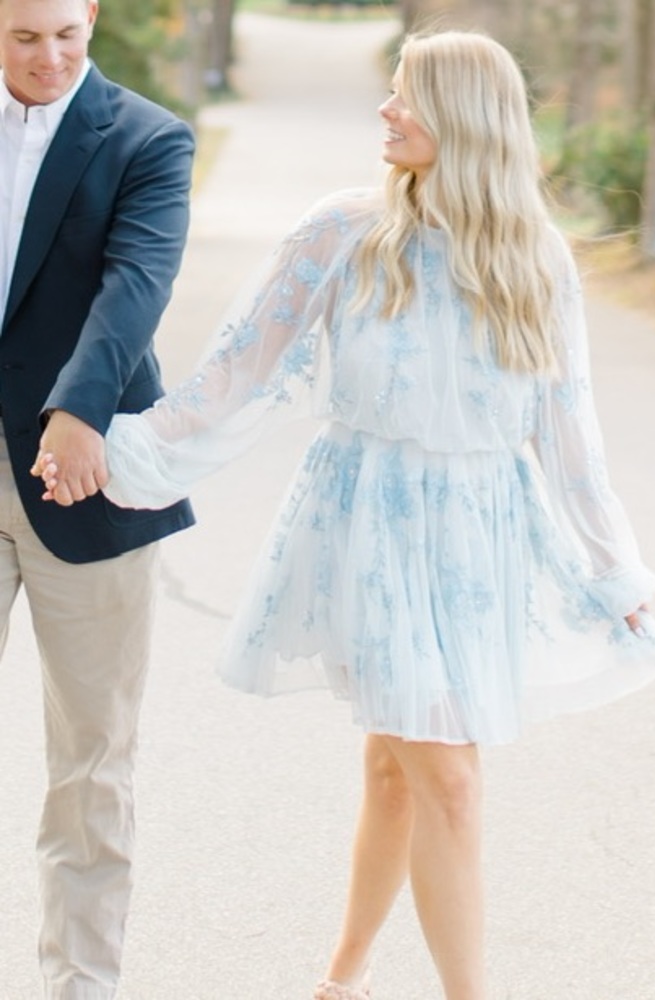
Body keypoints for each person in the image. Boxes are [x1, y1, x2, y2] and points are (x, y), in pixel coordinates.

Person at [35, 28, 655, 1000]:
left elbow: (568, 431)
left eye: (405, 95)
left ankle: (340, 980)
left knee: (395, 766)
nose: (383, 110)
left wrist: (614, 568)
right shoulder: (340, 232)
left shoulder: (532, 258)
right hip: (369, 527)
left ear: (462, 118)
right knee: (449, 779)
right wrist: (115, 448)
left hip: (476, 538)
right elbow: (232, 377)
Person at [0, 0, 195, 995]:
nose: (48, 56)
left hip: (84, 474)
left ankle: (80, 984)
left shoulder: (148, 139)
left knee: (92, 759)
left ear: (93, 24)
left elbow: (137, 282)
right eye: (24, 36)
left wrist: (76, 411)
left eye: (65, 35)